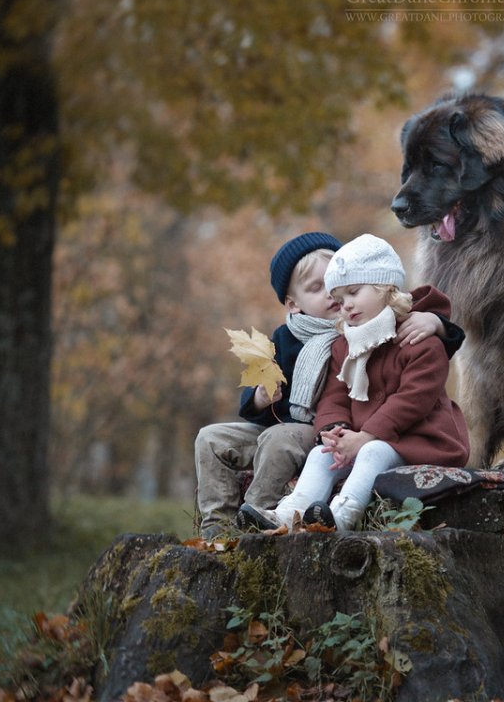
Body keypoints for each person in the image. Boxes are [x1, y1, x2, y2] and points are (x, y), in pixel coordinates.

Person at [195, 231, 463, 539]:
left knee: (294, 441)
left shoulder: (386, 332)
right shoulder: (298, 339)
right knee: (211, 437)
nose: (340, 303)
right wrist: (265, 401)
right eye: (331, 293)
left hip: (387, 435)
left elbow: (425, 375)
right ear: (293, 303)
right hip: (320, 428)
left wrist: (436, 322)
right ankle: (219, 529)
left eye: (348, 289)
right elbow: (332, 398)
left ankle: (280, 516)